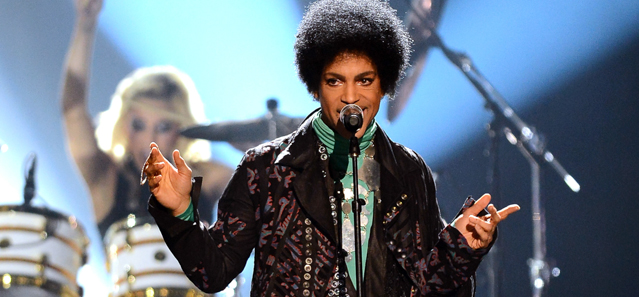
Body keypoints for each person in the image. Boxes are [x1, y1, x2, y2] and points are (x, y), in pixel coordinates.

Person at [143, 0, 520, 296]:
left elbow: (429, 288)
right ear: (315, 85)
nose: (351, 96)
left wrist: (460, 249)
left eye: (365, 80)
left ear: (384, 85)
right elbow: (215, 271)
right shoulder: (267, 167)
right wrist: (179, 211)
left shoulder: (408, 171)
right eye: (335, 81)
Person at [61, 0, 233, 237]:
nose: (150, 139)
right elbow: (73, 109)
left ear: (181, 129)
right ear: (123, 124)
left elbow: (266, 201)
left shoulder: (208, 176)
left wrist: (255, 146)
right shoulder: (106, 178)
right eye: (139, 125)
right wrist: (86, 24)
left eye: (163, 126)